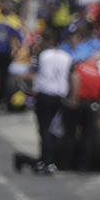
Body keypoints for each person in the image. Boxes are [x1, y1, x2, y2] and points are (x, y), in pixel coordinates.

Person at [30, 31, 73, 174]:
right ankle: (54, 160)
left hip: (45, 94)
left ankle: (46, 161)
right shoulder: (66, 56)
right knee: (56, 129)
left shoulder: (42, 55)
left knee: (44, 129)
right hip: (59, 96)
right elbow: (71, 76)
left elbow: (33, 72)